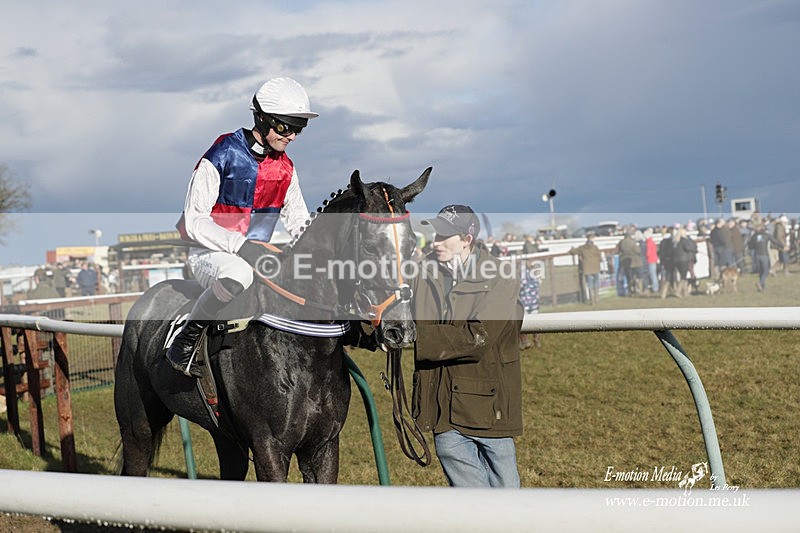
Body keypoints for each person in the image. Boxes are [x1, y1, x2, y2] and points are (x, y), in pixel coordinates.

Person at [169, 77, 318, 378]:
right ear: (261, 119)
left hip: (256, 255)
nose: (292, 136)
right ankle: (184, 343)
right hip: (209, 254)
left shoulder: (286, 167)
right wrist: (240, 247)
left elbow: (299, 220)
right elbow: (194, 219)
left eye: (298, 128)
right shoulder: (222, 153)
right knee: (239, 273)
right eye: (286, 127)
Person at [412, 205, 523, 488]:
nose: (435, 241)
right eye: (435, 234)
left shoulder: (501, 276)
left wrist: (417, 338)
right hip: (441, 407)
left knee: (509, 502)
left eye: (444, 235)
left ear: (466, 239)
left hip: (489, 406)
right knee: (473, 508)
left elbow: (479, 336)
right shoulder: (421, 273)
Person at [749, 224, 785, 292]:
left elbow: (750, 246)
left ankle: (762, 287)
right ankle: (760, 283)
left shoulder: (754, 236)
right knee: (765, 271)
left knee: (761, 271)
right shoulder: (766, 235)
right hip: (764, 255)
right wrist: (782, 246)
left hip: (756, 256)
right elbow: (775, 241)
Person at [569, 232, 602, 304]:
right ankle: (597, 299)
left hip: (587, 268)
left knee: (589, 284)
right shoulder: (595, 247)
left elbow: (573, 251)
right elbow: (600, 257)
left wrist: (572, 249)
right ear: (592, 238)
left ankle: (592, 300)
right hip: (595, 266)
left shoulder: (582, 248)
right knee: (596, 282)